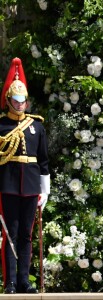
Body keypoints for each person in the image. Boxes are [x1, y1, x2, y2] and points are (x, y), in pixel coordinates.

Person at [0, 57, 50, 294]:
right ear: (9, 100)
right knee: (10, 233)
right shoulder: (1, 126)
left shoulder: (37, 126)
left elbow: (43, 160)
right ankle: (9, 281)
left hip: (31, 186)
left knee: (26, 236)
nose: (20, 104)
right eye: (16, 100)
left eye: (23, 100)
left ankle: (24, 281)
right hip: (8, 185)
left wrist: (45, 188)